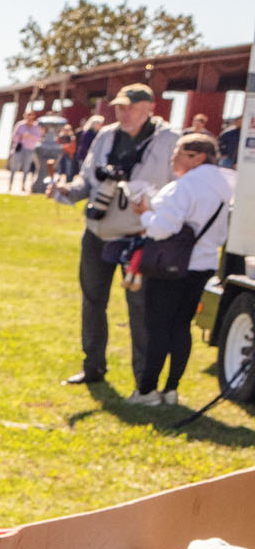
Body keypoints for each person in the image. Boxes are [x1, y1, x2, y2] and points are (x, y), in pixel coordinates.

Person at [50, 85, 176, 386]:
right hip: (99, 230)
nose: (124, 112)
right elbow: (87, 177)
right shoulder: (106, 135)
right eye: (120, 106)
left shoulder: (170, 139)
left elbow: (180, 186)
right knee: (92, 300)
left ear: (150, 107)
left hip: (140, 235)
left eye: (131, 107)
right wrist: (68, 190)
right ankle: (93, 366)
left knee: (141, 308)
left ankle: (145, 380)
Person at [125, 132, 234, 406]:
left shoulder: (184, 186)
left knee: (157, 327)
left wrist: (145, 214)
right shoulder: (224, 184)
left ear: (196, 157)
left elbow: (163, 228)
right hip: (203, 265)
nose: (172, 157)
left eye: (178, 152)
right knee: (181, 327)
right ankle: (171, 389)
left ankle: (147, 390)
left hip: (169, 267)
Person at [8, 116, 44, 192]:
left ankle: (23, 185)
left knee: (26, 168)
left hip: (30, 150)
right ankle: (10, 185)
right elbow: (14, 137)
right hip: (19, 149)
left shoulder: (36, 127)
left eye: (31, 118)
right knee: (14, 167)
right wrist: (21, 135)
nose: (29, 120)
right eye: (28, 118)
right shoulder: (20, 125)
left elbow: (40, 138)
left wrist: (31, 136)